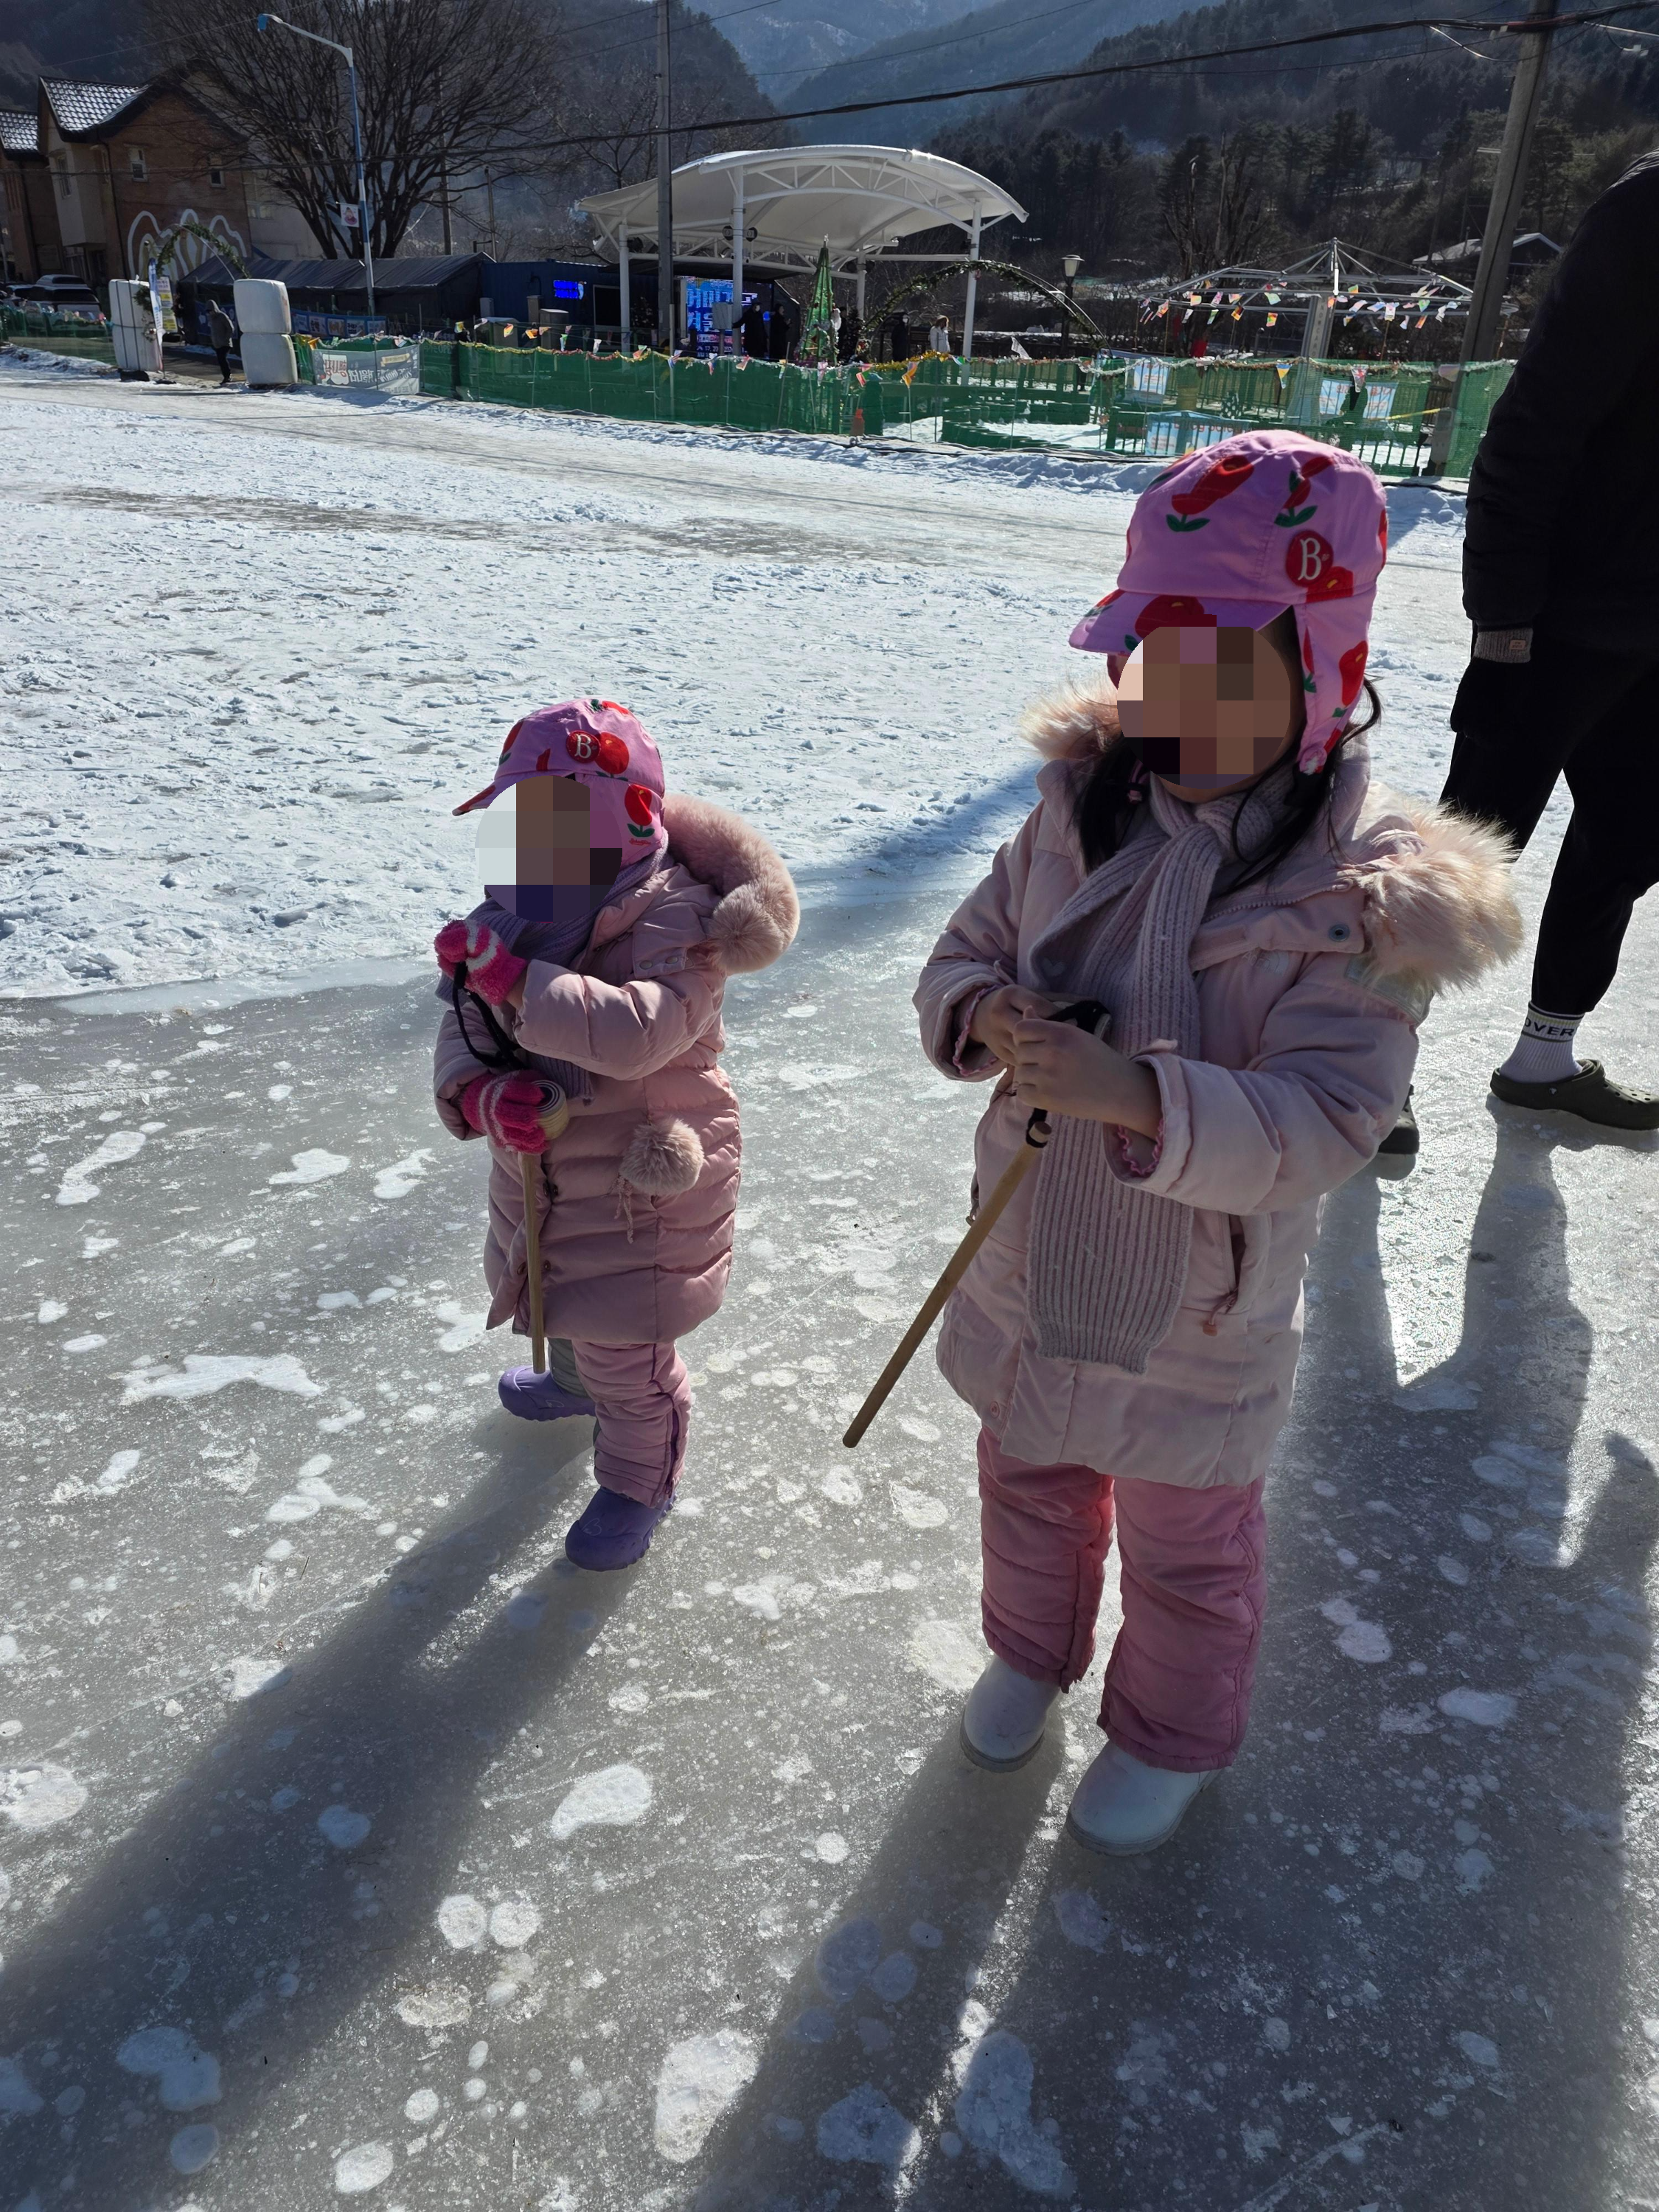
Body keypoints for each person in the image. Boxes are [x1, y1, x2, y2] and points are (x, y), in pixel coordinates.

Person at [914, 431, 1520, 1854]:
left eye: (1227, 672)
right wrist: (987, 1013)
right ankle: (1031, 1651)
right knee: (1030, 1484)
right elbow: (961, 956)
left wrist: (1140, 1096)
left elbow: (1331, 1120)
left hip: (1203, 1302)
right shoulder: (1074, 813)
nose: (1179, 706)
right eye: (1157, 664)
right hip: (1034, 1249)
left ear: (1321, 680)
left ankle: (1172, 1736)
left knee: (1189, 1544)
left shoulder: (1365, 905)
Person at [433, 700, 798, 1569]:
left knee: (627, 1352)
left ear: (618, 826)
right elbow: (462, 1025)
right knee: (553, 1294)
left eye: (547, 824)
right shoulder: (512, 913)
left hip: (643, 1190)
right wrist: (483, 1098)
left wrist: (520, 981)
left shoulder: (679, 919)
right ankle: (567, 1384)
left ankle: (643, 1479)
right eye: (515, 822)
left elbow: (643, 1035)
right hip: (544, 1172)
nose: (524, 846)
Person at [1437, 149, 1659, 1130]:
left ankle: (1543, 1061)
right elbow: (1535, 423)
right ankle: (1361, 1065)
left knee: (1628, 844)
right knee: (1469, 847)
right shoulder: (1647, 218)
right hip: (1560, 612)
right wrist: (1502, 617)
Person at [206, 299, 235, 385]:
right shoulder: (212, 319)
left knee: (222, 358)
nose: (210, 313)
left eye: (211, 311)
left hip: (225, 343)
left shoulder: (222, 316)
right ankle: (225, 377)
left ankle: (228, 375)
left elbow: (230, 328)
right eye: (208, 312)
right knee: (220, 360)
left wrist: (226, 338)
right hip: (217, 343)